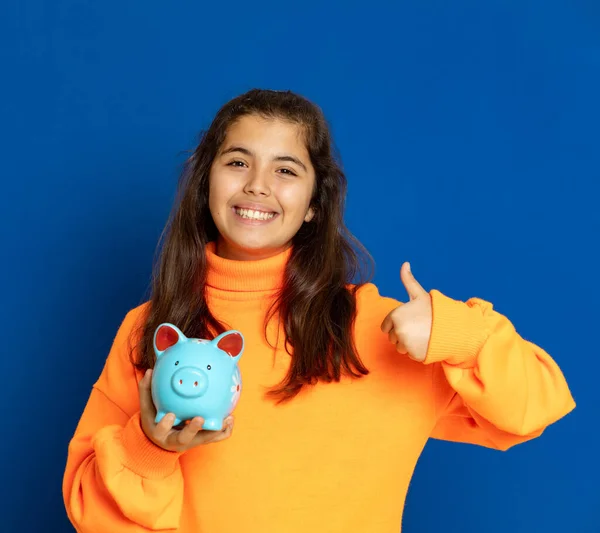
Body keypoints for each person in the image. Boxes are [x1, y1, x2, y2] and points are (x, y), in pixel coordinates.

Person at [62, 89, 576, 533]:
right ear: (205, 185)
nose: (257, 185)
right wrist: (151, 447)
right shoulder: (151, 332)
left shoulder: (382, 330)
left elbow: (532, 410)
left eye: (285, 170)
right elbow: (91, 513)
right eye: (238, 162)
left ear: (313, 203)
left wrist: (461, 336)